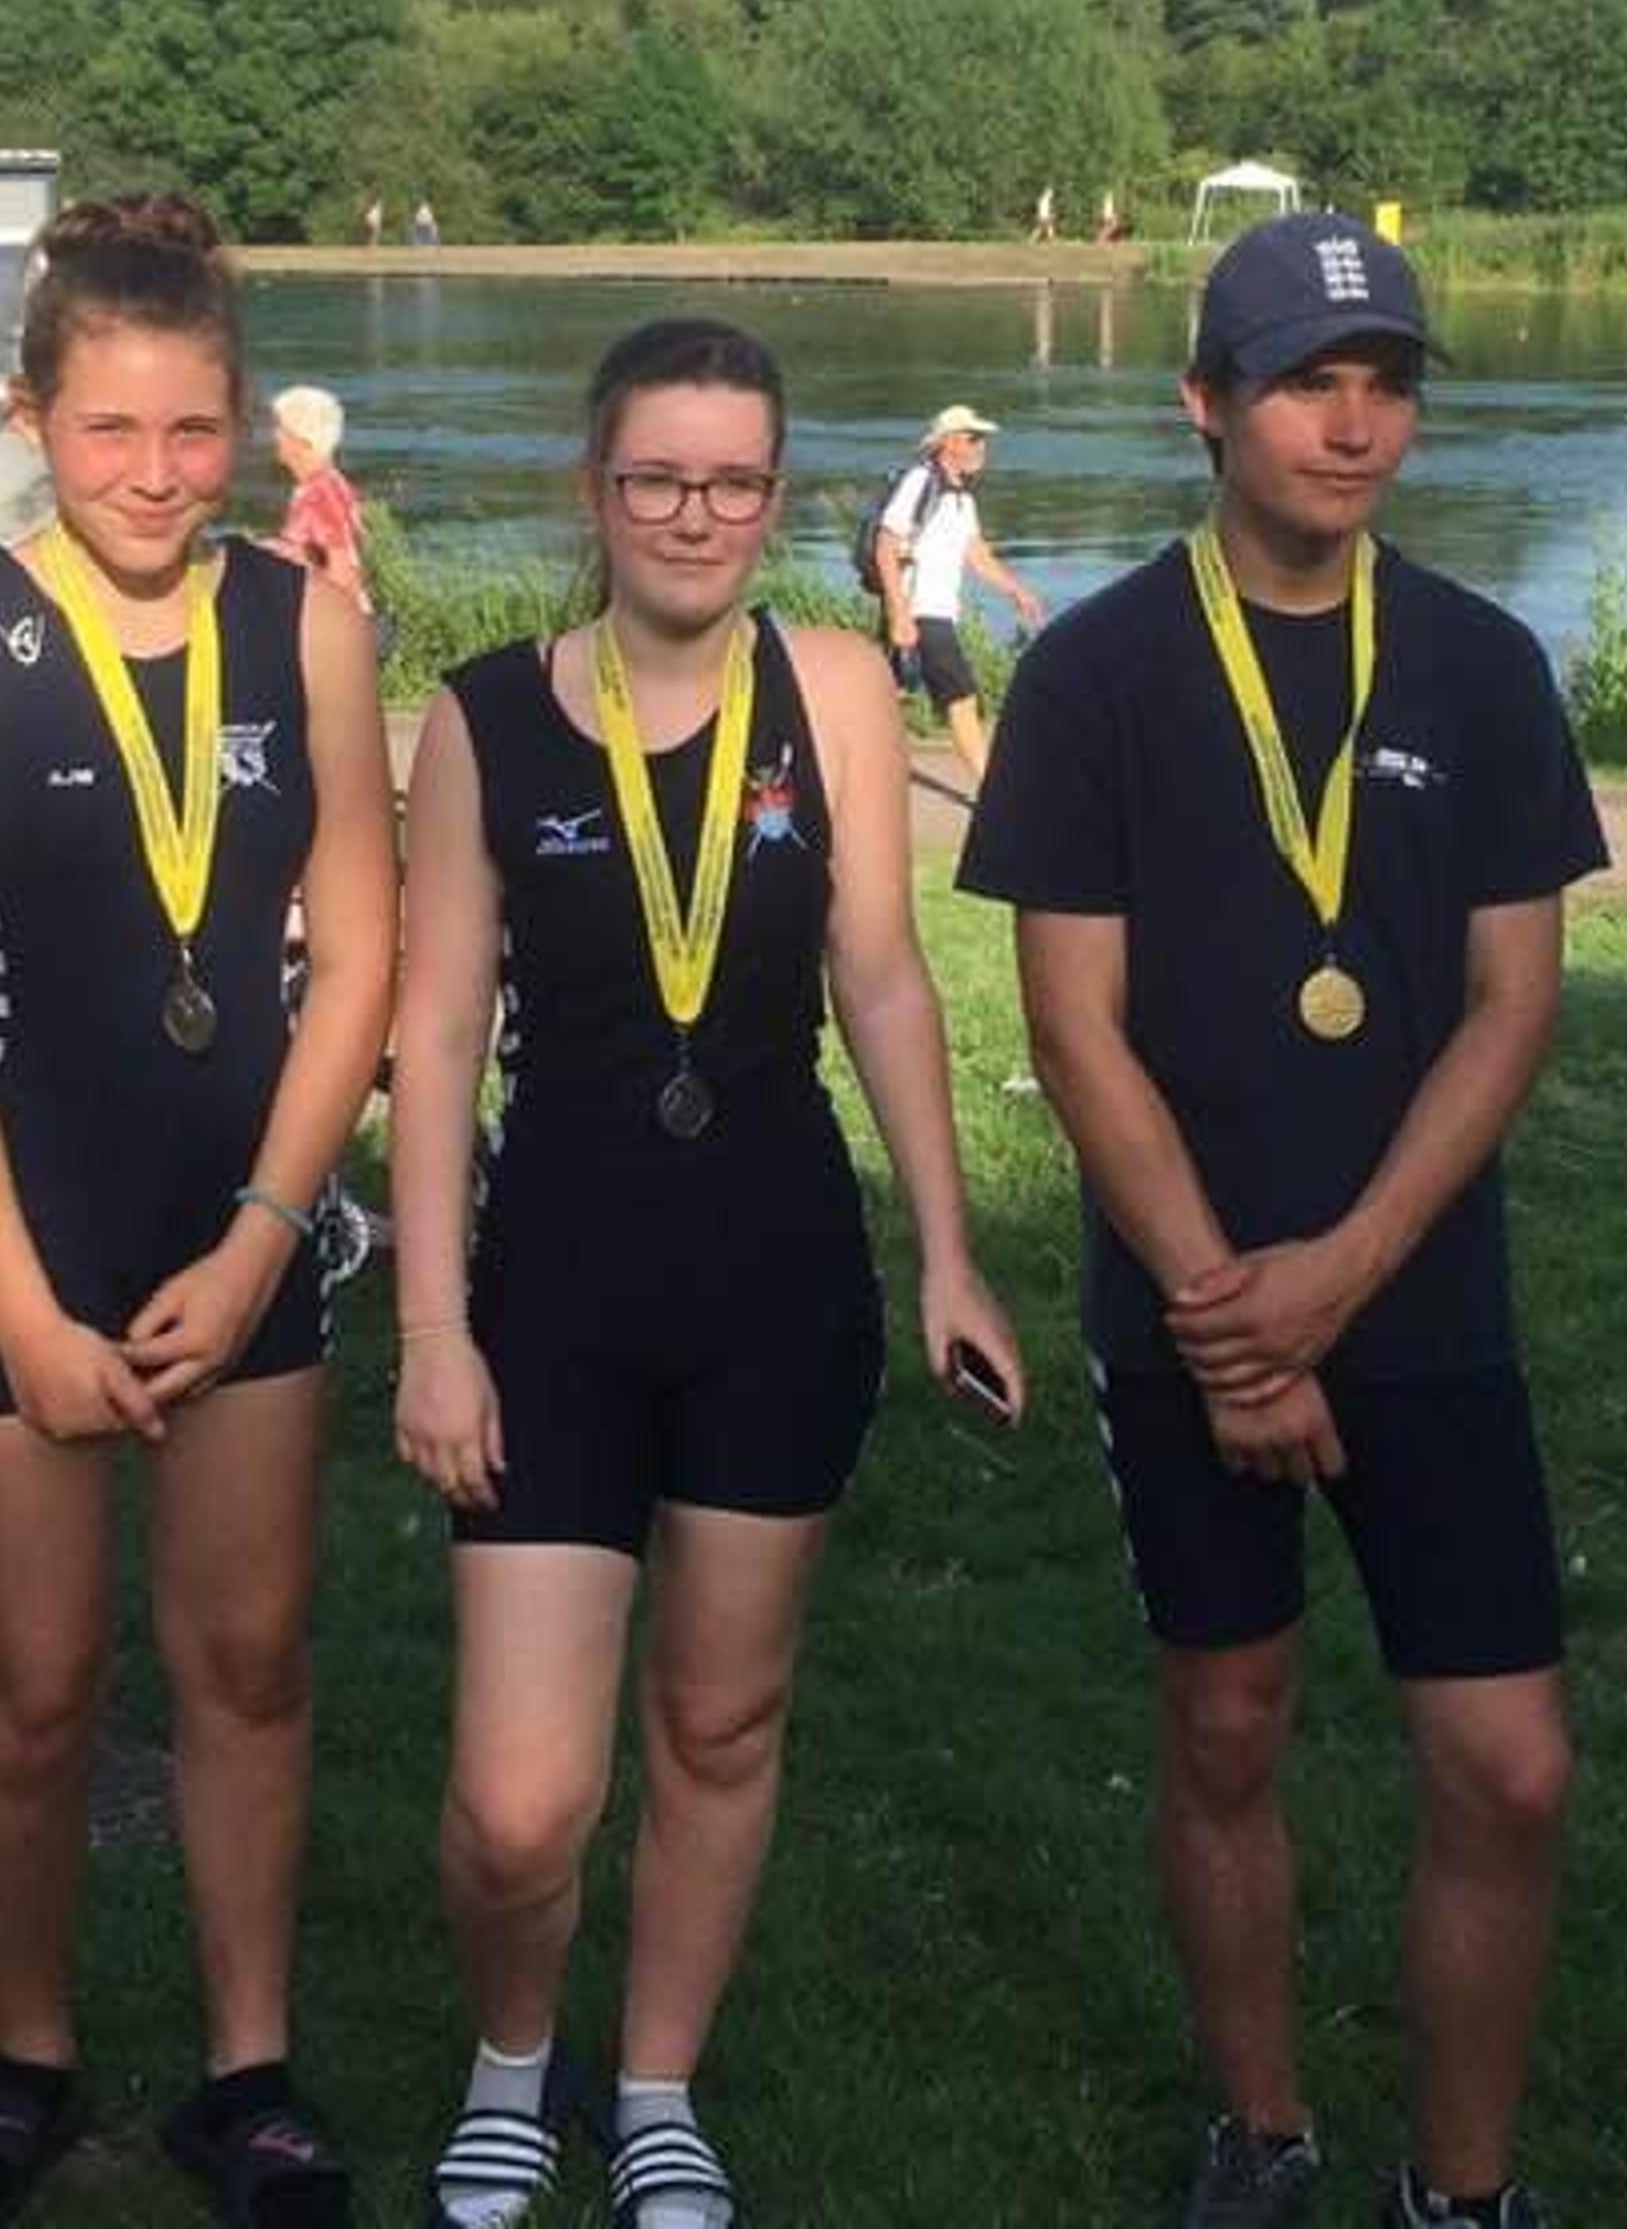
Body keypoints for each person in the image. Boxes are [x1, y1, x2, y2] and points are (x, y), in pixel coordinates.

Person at [961, 210, 1609, 2229]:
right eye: (1310, 383)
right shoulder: (1098, 674)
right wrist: (1227, 1312)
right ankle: (1262, 2128)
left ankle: (1463, 2188)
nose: (1355, 425)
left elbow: (1515, 1006)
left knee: (1509, 1769)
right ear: (1207, 405)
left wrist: (1335, 1283)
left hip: (1413, 1300)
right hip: (1188, 1306)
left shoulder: (1486, 664)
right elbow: (1072, 1029)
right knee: (1228, 1720)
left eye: (1386, 385)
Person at [389, 316, 1021, 2229]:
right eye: (657, 475)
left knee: (722, 1722)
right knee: (519, 1801)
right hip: (554, 1280)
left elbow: (886, 980)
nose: (695, 512)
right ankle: (517, 2054)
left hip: (772, 1264)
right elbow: (429, 1038)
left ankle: (654, 2080)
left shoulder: (835, 687)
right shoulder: (486, 713)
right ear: (595, 490)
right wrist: (429, 1325)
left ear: (772, 494)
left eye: (733, 479)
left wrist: (952, 1252)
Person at [0, 196, 398, 2227]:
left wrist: (271, 1231)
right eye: (108, 435)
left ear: (244, 425)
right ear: (33, 417)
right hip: (7, 1248)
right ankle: (29, 2056)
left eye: (191, 435)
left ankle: (248, 2075)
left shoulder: (305, 621)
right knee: (38, 1681)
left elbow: (356, 953)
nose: (153, 477)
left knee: (246, 1660)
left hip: (239, 1227)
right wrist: (20, 1310)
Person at [875, 401, 1046, 787]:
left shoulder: (961, 499)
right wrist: (899, 614)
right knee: (962, 697)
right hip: (918, 612)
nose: (982, 446)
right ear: (948, 443)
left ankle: (852, 768)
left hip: (936, 613)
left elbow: (978, 556)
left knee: (889, 699)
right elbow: (885, 546)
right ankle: (992, 791)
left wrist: (1016, 589)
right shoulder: (920, 482)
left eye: (982, 439)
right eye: (974, 438)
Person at [266, 382, 372, 615]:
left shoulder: (316, 494)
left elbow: (343, 575)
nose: (274, 436)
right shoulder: (333, 482)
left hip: (337, 629)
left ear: (301, 438)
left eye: (279, 428)